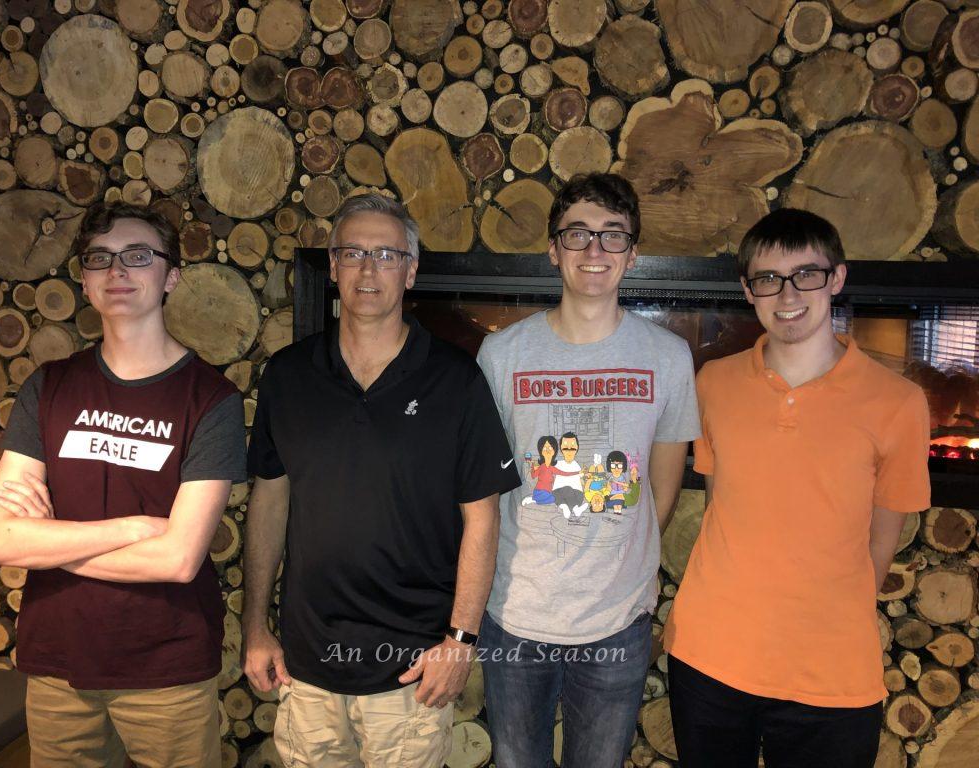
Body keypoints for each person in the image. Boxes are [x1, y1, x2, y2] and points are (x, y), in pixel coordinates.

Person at [242, 193, 520, 768]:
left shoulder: (455, 379)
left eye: (387, 254)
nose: (369, 269)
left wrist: (461, 644)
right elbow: (269, 502)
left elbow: (483, 516)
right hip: (307, 670)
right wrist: (254, 627)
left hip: (410, 673)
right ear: (334, 267)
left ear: (411, 270)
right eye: (353, 253)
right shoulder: (288, 377)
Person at [0, 202, 247, 768]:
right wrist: (129, 529)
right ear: (84, 279)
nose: (117, 271)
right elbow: (1, 542)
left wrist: (50, 542)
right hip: (58, 663)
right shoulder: (49, 387)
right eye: (100, 259)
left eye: (137, 257)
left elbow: (178, 559)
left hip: (166, 670)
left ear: (170, 276)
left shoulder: (211, 400)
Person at [664, 208, 931, 768]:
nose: (787, 294)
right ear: (748, 290)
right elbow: (723, 506)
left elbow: (882, 542)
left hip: (830, 673)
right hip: (709, 656)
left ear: (836, 278)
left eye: (806, 274)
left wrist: (820, 613)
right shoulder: (714, 383)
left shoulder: (900, 403)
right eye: (767, 279)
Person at [476, 172, 700, 768]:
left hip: (617, 618)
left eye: (612, 236)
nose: (594, 252)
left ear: (633, 252)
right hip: (515, 611)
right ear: (553, 250)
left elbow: (663, 482)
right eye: (577, 235)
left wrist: (621, 538)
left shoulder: (668, 357)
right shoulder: (502, 355)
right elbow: (484, 480)